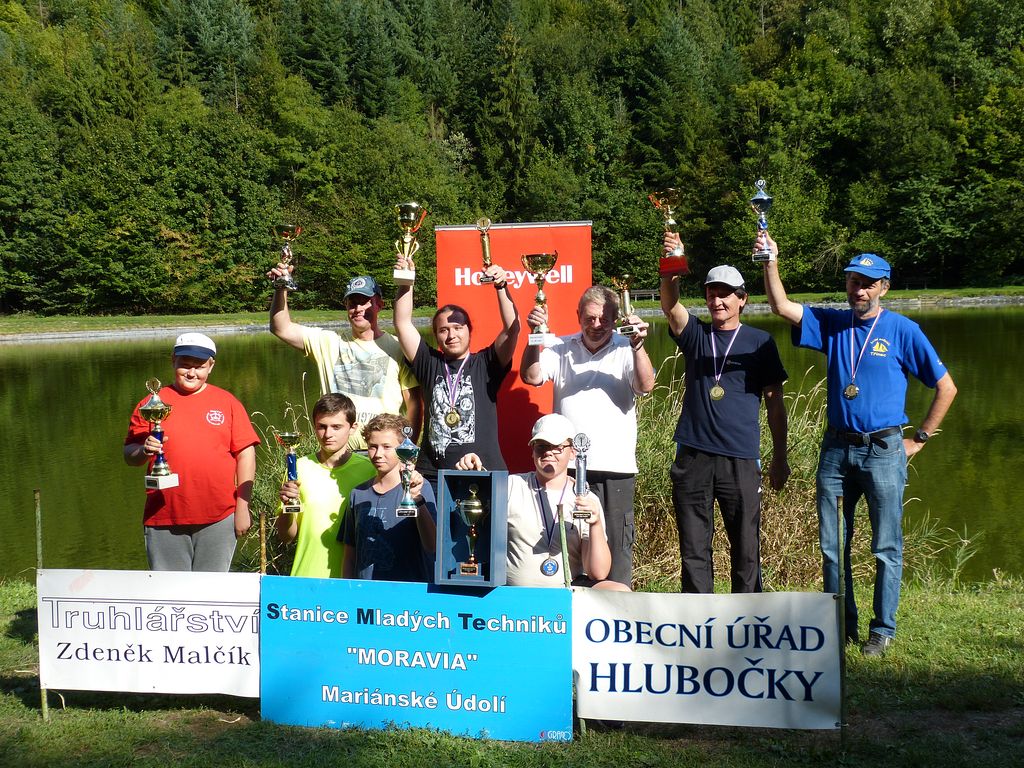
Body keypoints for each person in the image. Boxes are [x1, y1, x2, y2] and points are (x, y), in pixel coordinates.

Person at [760, 234, 957, 657]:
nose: (860, 290)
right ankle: (839, 625)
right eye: (854, 282)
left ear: (884, 287)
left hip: (884, 451)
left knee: (886, 547)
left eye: (868, 283)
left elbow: (946, 387)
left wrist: (920, 438)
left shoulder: (903, 330)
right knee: (832, 546)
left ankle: (882, 630)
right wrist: (771, 261)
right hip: (836, 451)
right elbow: (781, 307)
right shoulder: (833, 323)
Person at [660, 232, 791, 594]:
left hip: (740, 457)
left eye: (725, 294)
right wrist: (671, 265)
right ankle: (697, 618)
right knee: (694, 549)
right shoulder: (696, 335)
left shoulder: (760, 342)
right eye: (711, 293)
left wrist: (779, 456)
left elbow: (775, 403)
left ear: (742, 299)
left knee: (746, 549)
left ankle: (747, 618)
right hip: (694, 456)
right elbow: (670, 307)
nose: (717, 301)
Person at [519, 285, 655, 587]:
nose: (596, 325)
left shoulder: (626, 347)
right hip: (566, 469)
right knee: (566, 546)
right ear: (578, 315)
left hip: (615, 469)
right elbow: (531, 376)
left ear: (616, 319)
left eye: (604, 319)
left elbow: (646, 386)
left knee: (617, 548)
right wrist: (533, 336)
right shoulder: (560, 348)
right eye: (590, 318)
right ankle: (569, 604)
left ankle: (618, 607)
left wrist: (638, 346)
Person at [124, 333, 259, 572]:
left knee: (211, 589)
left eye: (199, 366)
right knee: (170, 589)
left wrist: (242, 506)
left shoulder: (227, 402)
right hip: (164, 516)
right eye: (185, 365)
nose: (191, 372)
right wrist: (144, 450)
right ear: (173, 361)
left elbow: (246, 454)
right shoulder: (152, 403)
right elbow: (129, 455)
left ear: (211, 366)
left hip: (219, 517)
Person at [457, 414, 630, 590]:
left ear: (573, 452)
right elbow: (477, 496)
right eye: (541, 446)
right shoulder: (511, 486)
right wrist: (472, 467)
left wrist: (595, 524)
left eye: (557, 447)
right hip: (513, 593)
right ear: (532, 451)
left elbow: (598, 573)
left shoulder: (587, 499)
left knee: (620, 591)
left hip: (567, 592)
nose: (548, 452)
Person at [393, 253, 520, 483]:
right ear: (436, 335)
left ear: (469, 330)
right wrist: (406, 280)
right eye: (444, 330)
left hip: (483, 471)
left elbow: (512, 329)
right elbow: (402, 323)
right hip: (433, 475)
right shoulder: (428, 362)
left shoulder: (486, 363)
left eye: (458, 327)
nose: (451, 335)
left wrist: (501, 286)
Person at [267, 265, 421, 450]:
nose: (358, 309)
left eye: (364, 302)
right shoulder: (328, 342)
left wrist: (408, 448)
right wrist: (281, 288)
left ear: (379, 304)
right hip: (338, 453)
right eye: (352, 303)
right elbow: (280, 327)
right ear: (346, 306)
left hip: (383, 453)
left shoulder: (398, 347)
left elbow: (414, 405)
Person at [277, 393, 376, 578]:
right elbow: (287, 536)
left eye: (336, 427)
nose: (328, 434)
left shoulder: (370, 471)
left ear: (353, 428)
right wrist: (286, 508)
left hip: (353, 581)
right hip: (306, 577)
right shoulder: (298, 468)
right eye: (322, 427)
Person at [340, 413, 437, 582]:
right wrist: (347, 590)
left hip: (408, 591)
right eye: (373, 446)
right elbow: (350, 554)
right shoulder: (358, 493)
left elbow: (432, 545)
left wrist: (417, 500)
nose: (378, 454)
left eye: (386, 447)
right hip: (366, 591)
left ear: (402, 449)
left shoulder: (421, 487)